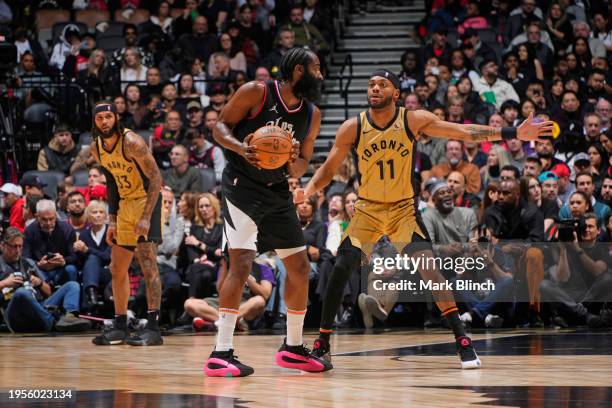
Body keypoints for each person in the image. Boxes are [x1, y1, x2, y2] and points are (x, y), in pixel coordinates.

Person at [298, 69, 553, 370]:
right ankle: (323, 345)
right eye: (371, 85)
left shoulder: (412, 120)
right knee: (341, 268)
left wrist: (512, 133)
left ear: (395, 93)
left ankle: (462, 340)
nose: (374, 89)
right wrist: (307, 190)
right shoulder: (352, 127)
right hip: (367, 210)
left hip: (402, 211)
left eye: (382, 85)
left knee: (431, 272)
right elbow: (328, 169)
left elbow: (463, 132)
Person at [203, 48, 324, 377]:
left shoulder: (312, 114)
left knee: (299, 267)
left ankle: (293, 347)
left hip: (278, 191)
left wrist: (292, 156)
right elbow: (220, 128)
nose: (322, 76)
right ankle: (221, 351)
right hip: (242, 186)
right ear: (299, 70)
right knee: (240, 263)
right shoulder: (256, 92)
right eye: (317, 69)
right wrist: (242, 147)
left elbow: (301, 165)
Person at [89, 101, 164, 346]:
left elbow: (156, 178)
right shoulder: (97, 148)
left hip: (147, 201)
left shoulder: (131, 142)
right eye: (100, 118)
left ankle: (153, 328)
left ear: (116, 118)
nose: (105, 122)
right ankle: (120, 325)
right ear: (95, 121)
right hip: (124, 205)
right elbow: (111, 182)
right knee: (117, 268)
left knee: (147, 264)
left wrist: (145, 217)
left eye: (108, 117)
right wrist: (111, 219)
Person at [0, 228, 90, 333]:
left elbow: (49, 292)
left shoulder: (28, 263)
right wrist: (5, 283)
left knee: (72, 285)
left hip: (39, 307)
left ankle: (70, 317)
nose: (18, 250)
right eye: (14, 246)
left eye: (20, 246)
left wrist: (40, 283)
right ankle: (53, 323)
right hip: (14, 313)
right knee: (21, 293)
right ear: (3, 245)